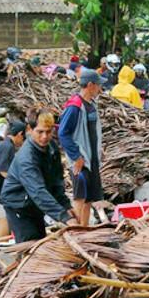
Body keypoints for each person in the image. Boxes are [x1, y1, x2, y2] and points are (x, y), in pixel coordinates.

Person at [2, 109, 70, 241]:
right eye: (40, 132)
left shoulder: (52, 148)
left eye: (48, 131)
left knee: (40, 240)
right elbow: (38, 191)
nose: (44, 136)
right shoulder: (26, 157)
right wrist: (65, 217)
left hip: (34, 204)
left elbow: (57, 181)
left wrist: (66, 206)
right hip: (18, 204)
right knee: (29, 244)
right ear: (30, 129)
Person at [58, 70, 103, 226]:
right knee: (80, 197)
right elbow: (63, 133)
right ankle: (76, 231)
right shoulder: (75, 106)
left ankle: (85, 229)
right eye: (98, 85)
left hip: (91, 159)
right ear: (90, 85)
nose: (100, 89)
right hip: (81, 160)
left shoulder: (91, 105)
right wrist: (76, 157)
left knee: (89, 197)